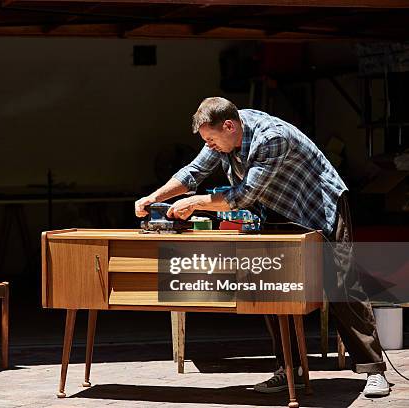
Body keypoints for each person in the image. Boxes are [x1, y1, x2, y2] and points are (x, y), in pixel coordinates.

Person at [134, 97, 390, 397]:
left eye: (211, 139)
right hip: (275, 209)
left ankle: (374, 370)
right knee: (273, 287)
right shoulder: (223, 134)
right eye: (206, 140)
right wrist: (154, 198)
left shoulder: (271, 138)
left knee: (341, 286)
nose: (210, 145)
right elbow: (193, 172)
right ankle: (288, 369)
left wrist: (195, 203)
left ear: (229, 126)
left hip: (318, 207)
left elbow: (243, 196)